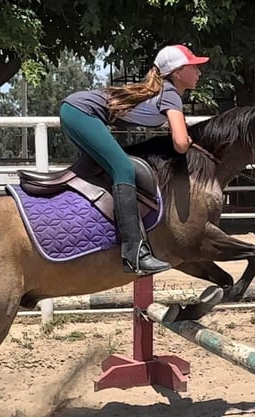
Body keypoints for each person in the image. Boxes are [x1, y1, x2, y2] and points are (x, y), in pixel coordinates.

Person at [59, 44, 209, 275]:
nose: (199, 73)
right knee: (123, 169)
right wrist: (186, 140)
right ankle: (135, 253)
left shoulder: (164, 90)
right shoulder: (170, 94)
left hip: (76, 110)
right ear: (178, 73)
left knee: (102, 168)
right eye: (194, 67)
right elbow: (180, 144)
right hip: (82, 113)